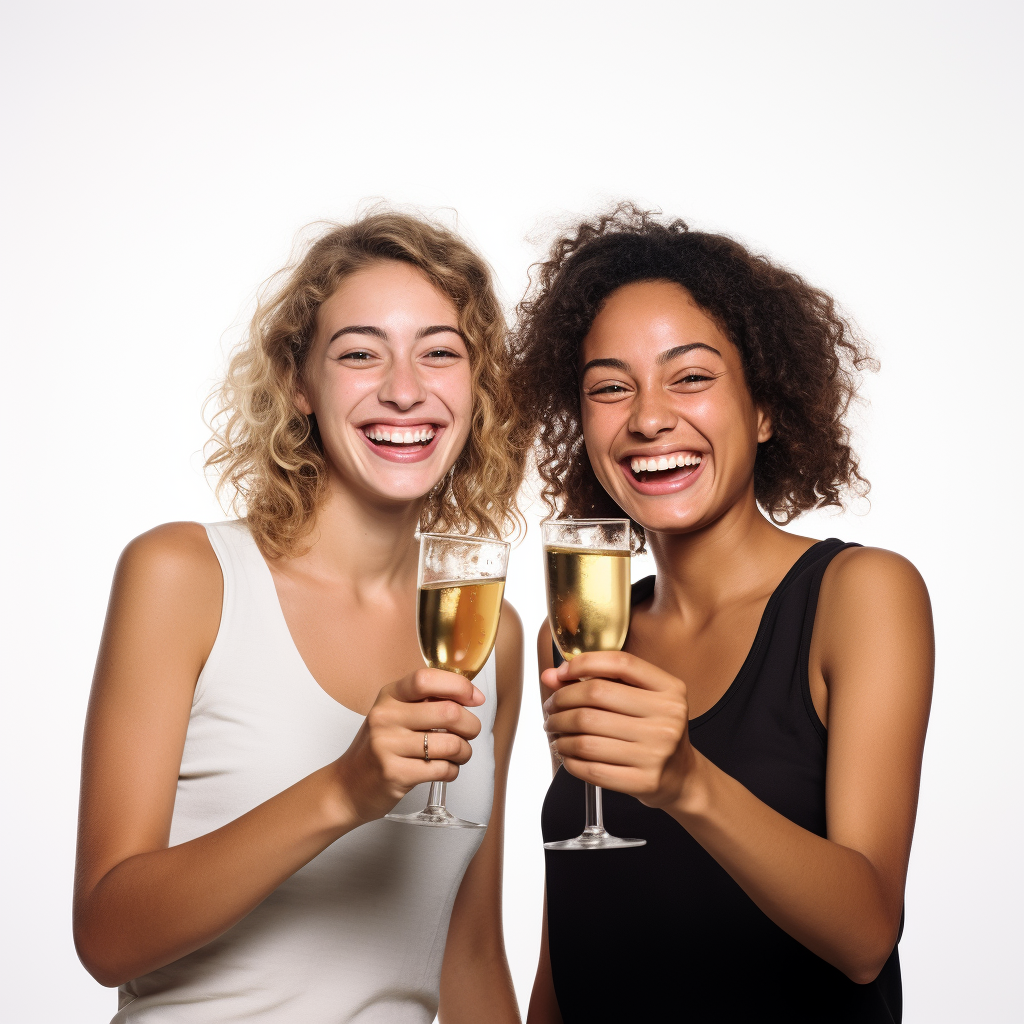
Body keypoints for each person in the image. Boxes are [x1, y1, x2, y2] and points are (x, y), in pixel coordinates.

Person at [73, 212, 528, 1023]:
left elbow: (467, 951)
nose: (404, 388)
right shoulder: (187, 577)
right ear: (298, 382)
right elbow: (106, 934)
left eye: (440, 352)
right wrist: (344, 791)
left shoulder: (492, 636)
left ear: (477, 386)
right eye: (360, 353)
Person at [516, 206, 933, 1023]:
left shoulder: (860, 595)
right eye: (609, 388)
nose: (647, 417)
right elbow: (570, 941)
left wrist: (688, 783)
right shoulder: (575, 633)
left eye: (692, 377)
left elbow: (865, 936)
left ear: (767, 408)